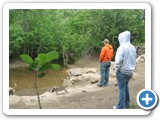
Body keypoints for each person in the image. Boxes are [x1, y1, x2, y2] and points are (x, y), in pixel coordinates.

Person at [113, 31, 136, 109]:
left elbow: (119, 60)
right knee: (125, 86)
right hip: (130, 72)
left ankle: (120, 106)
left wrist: (116, 69)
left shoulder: (122, 47)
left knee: (121, 88)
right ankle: (127, 103)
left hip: (122, 71)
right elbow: (134, 59)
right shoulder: (132, 47)